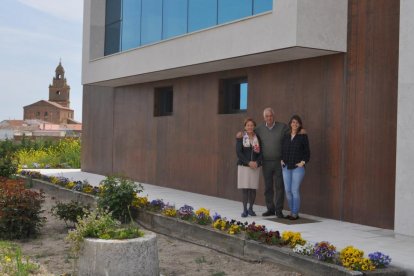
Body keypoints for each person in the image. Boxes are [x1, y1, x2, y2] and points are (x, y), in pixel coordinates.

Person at [254, 108, 289, 218]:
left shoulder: (282, 127)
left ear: (274, 116)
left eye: (271, 116)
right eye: (267, 116)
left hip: (279, 162)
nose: (269, 118)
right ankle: (270, 209)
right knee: (268, 187)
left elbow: (293, 132)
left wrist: (302, 131)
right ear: (264, 117)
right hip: (266, 162)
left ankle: (279, 210)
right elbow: (249, 133)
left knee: (279, 186)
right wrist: (241, 134)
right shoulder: (259, 128)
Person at [281, 115, 310, 220]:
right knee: (288, 191)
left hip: (298, 168)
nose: (295, 124)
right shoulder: (286, 136)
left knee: (294, 190)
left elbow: (307, 152)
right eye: (293, 122)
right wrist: (281, 159)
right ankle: (291, 211)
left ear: (300, 124)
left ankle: (294, 213)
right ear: (290, 123)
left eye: (297, 122)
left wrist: (303, 162)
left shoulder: (302, 136)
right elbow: (283, 149)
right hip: (286, 167)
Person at [236, 118, 263, 217]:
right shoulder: (241, 137)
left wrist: (257, 162)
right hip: (244, 166)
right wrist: (248, 162)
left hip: (255, 166)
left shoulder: (258, 138)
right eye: (248, 125)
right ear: (245, 127)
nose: (250, 127)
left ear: (254, 127)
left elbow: (261, 152)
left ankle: (251, 209)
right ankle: (244, 210)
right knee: (245, 189)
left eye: (252, 125)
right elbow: (239, 152)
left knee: (253, 189)